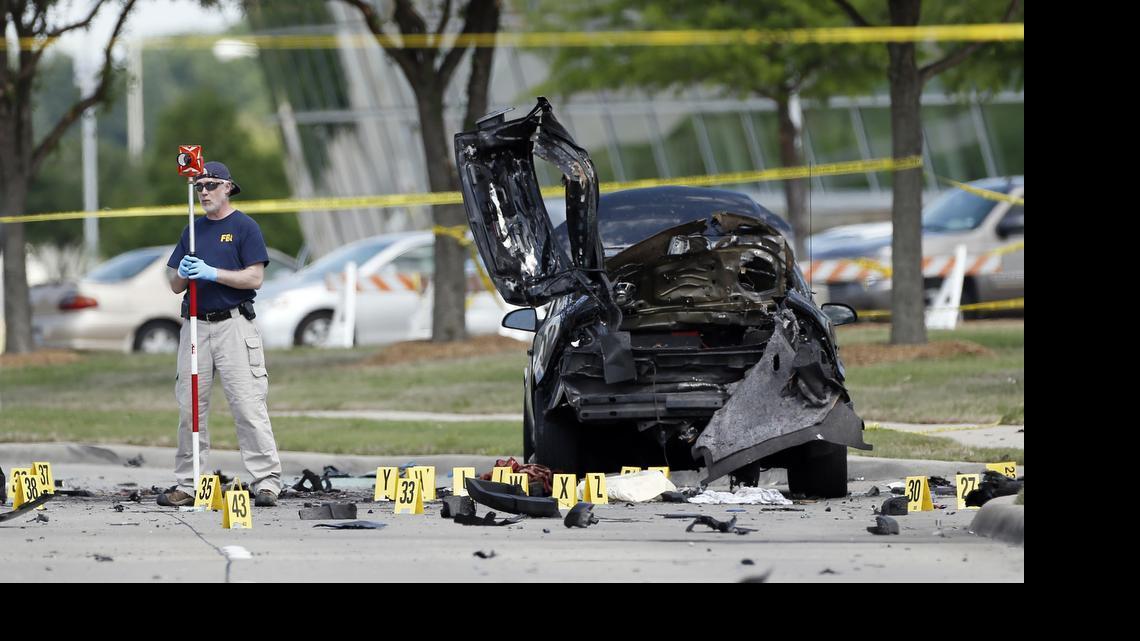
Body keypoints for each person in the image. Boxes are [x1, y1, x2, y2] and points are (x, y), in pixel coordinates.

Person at [157, 161, 283, 508]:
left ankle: (267, 482)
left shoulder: (244, 227)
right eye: (199, 186)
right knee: (190, 408)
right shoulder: (193, 231)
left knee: (247, 404)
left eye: (211, 185)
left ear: (228, 187)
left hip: (233, 324)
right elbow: (174, 285)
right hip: (195, 326)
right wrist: (182, 273)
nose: (204, 192)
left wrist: (213, 273)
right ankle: (188, 482)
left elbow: (254, 278)